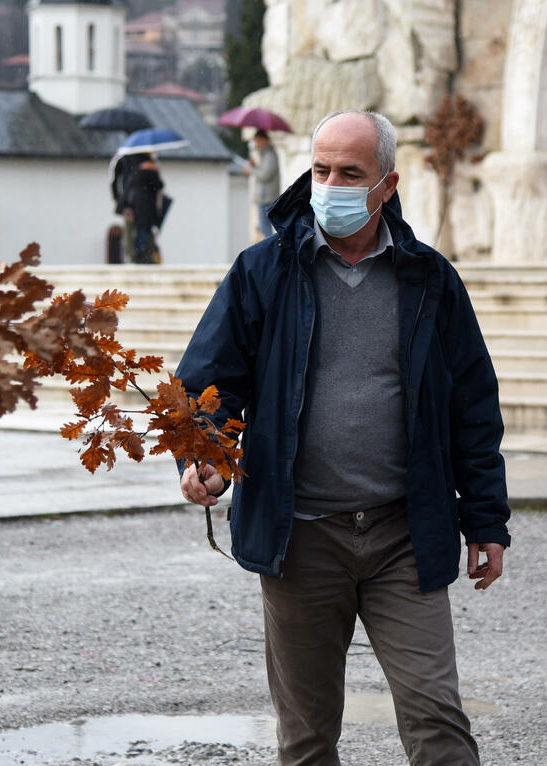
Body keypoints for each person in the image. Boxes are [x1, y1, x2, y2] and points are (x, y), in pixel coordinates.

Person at [176, 110, 510, 765]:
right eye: (321, 169)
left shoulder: (430, 280)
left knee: (438, 720)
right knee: (306, 737)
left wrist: (487, 522)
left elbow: (473, 405)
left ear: (387, 184)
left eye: (349, 173)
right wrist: (207, 458)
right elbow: (207, 386)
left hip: (404, 534)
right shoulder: (262, 272)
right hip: (299, 535)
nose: (329, 184)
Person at [124, 152, 164, 264]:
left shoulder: (136, 171)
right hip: (147, 206)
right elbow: (159, 185)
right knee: (144, 231)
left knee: (139, 230)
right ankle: (142, 253)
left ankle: (138, 253)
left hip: (137, 205)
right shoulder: (151, 170)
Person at [242, 129, 281, 238]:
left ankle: (270, 251)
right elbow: (263, 171)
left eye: (258, 141)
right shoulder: (265, 155)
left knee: (266, 228)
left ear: (265, 140)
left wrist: (250, 170)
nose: (256, 144)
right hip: (263, 197)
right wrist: (254, 166)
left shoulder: (270, 155)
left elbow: (265, 175)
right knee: (264, 227)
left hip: (266, 198)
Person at [111, 152, 144, 262]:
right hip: (138, 202)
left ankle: (135, 257)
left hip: (130, 201)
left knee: (132, 235)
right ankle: (138, 257)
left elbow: (114, 181)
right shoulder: (143, 159)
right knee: (137, 233)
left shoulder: (123, 158)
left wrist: (119, 200)